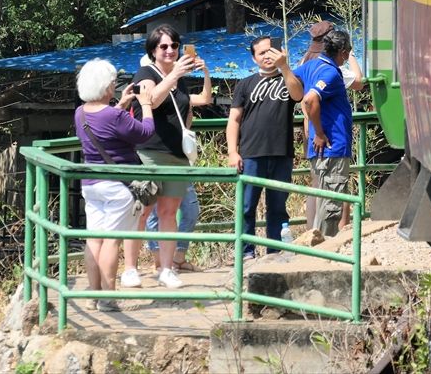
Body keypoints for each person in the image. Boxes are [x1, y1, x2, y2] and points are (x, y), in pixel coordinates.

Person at [121, 25, 211, 290]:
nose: (170, 50)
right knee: (142, 211)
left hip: (177, 155)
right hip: (150, 152)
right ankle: (129, 269)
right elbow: (153, 100)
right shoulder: (145, 74)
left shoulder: (179, 77)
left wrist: (203, 72)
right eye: (164, 46)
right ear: (153, 50)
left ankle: (167, 268)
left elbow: (201, 101)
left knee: (169, 213)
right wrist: (174, 76)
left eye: (174, 45)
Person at [73, 59, 155, 312]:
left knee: (94, 240)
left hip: (91, 184)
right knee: (111, 241)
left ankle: (93, 295)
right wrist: (146, 105)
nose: (113, 85)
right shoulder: (114, 115)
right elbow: (145, 132)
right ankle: (109, 298)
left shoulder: (81, 113)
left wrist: (121, 103)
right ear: (106, 86)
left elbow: (106, 123)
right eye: (112, 83)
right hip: (118, 186)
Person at [226, 36, 305, 259]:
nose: (267, 56)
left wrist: (284, 65)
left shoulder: (289, 78)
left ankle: (275, 251)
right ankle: (245, 253)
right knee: (246, 206)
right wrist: (233, 151)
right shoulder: (245, 84)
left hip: (282, 153)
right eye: (261, 53)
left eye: (270, 51)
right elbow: (234, 120)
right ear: (254, 58)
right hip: (251, 154)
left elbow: (298, 95)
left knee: (278, 207)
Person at [294, 29, 356, 239]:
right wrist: (319, 132)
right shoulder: (330, 72)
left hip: (320, 148)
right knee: (331, 204)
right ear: (344, 53)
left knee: (323, 197)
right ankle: (323, 251)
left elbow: (294, 86)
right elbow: (310, 99)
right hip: (332, 145)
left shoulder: (309, 66)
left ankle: (315, 246)